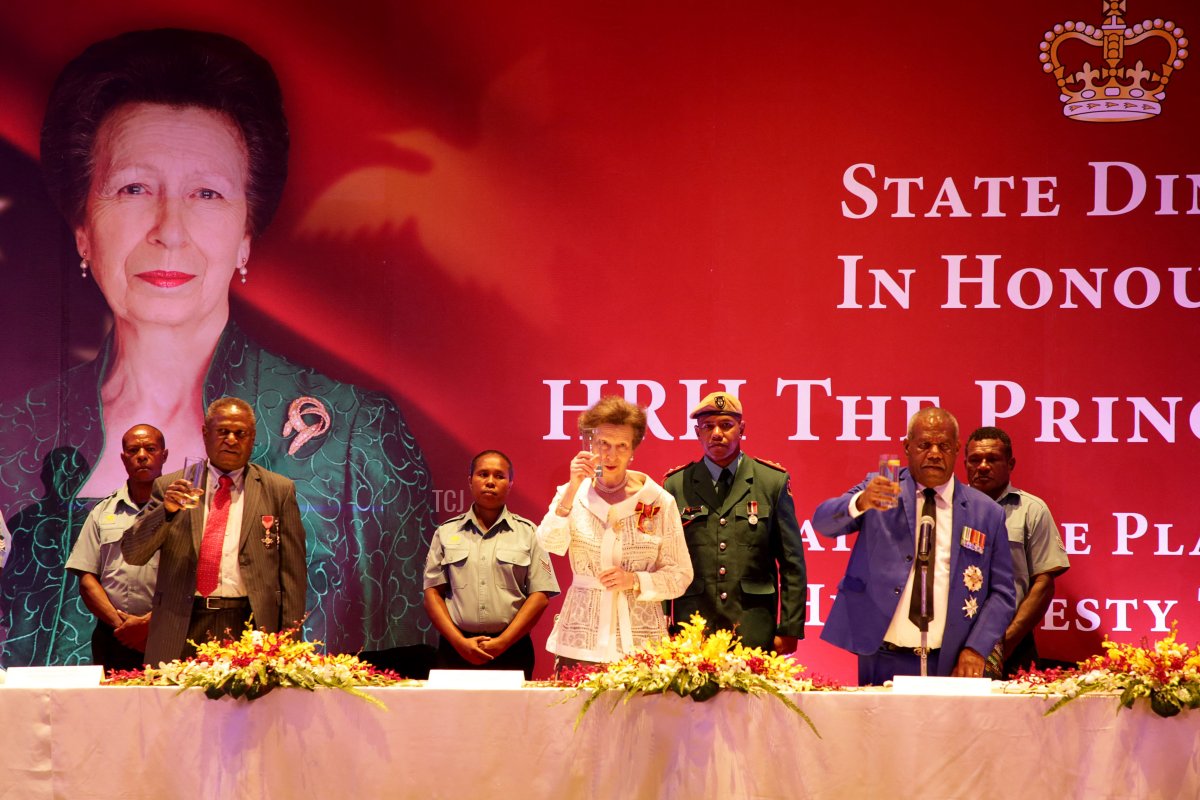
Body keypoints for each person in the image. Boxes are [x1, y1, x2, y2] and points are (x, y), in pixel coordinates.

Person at [0, 28, 434, 667]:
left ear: (246, 235)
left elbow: (405, 666)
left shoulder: (354, 441)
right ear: (83, 231)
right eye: (133, 188)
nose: (168, 231)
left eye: (207, 193)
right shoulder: (11, 441)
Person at [813, 407, 1015, 684]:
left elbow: (1003, 592)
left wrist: (976, 648)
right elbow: (823, 523)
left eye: (943, 445)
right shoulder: (881, 488)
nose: (934, 453)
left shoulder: (987, 512)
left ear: (957, 449)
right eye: (924, 445)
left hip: (952, 660)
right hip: (882, 655)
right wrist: (860, 502)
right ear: (907, 447)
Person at [121, 397, 307, 666]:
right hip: (183, 622)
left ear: (252, 438)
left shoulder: (278, 490)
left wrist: (289, 642)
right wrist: (167, 511)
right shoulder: (171, 486)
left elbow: (293, 574)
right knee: (175, 707)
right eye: (223, 432)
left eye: (240, 433)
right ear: (206, 434)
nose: (231, 439)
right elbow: (133, 553)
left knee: (249, 708)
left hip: (250, 623)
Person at [537, 396, 692, 672]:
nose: (611, 455)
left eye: (622, 446)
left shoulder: (659, 501)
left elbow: (680, 575)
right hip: (580, 641)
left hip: (641, 646)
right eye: (603, 444)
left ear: (633, 449)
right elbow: (549, 543)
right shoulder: (574, 495)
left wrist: (635, 580)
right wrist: (572, 489)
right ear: (590, 444)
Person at [663, 391, 806, 653]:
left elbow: (791, 563)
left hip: (753, 626)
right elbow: (663, 561)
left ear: (742, 429)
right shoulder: (675, 485)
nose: (716, 433)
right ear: (697, 432)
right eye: (708, 427)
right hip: (692, 627)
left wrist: (789, 630)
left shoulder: (771, 481)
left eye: (726, 425)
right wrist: (662, 625)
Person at [423, 451, 559, 679]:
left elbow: (540, 595)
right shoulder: (446, 532)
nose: (490, 482)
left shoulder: (529, 533)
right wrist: (459, 642)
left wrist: (502, 642)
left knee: (513, 715)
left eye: (499, 476)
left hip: (512, 649)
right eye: (483, 474)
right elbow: (432, 593)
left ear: (510, 483)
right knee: (454, 715)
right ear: (470, 481)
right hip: (456, 649)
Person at [964, 426, 1070, 677]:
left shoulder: (1032, 510)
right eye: (975, 459)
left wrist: (1004, 643)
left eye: (993, 459)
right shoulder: (951, 510)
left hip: (1013, 643)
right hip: (956, 643)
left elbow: (1043, 584)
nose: (983, 466)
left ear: (1010, 463)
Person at [64, 424, 167, 670]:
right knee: (113, 708)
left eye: (150, 448)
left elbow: (193, 578)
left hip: (168, 633)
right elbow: (87, 579)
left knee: (172, 707)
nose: (142, 455)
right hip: (114, 636)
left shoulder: (182, 511)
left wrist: (149, 625)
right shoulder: (102, 512)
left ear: (164, 455)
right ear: (123, 458)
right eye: (133, 450)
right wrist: (124, 628)